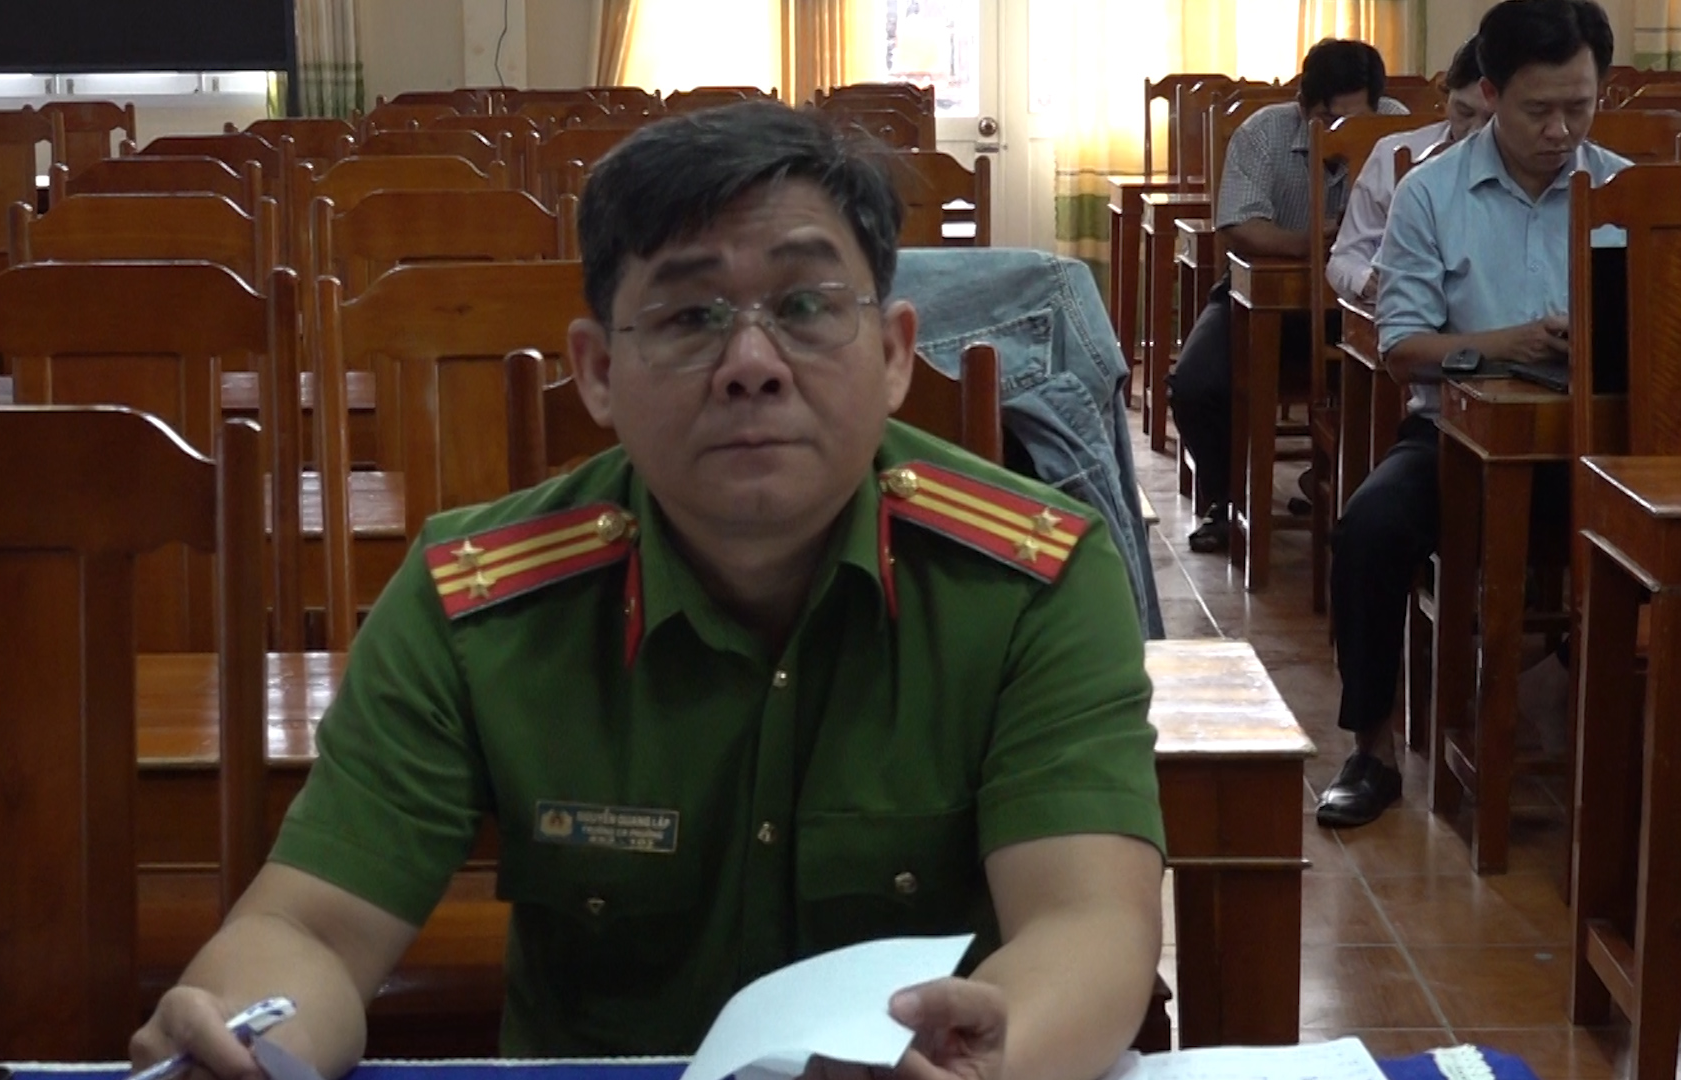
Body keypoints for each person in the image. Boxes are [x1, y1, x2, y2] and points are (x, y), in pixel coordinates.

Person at [132, 101, 1167, 1080]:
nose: (751, 363)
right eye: (688, 316)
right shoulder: (475, 602)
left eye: (806, 307)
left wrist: (995, 1053)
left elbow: (1088, 923)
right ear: (595, 373)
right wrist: (239, 1034)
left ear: (896, 354)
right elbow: (313, 929)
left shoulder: (1032, 579)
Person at [1315, 0, 1629, 828]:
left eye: (1580, 107)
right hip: (1453, 438)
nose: (1561, 131)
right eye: (1538, 110)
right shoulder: (1429, 193)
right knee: (1369, 532)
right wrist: (1511, 344)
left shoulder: (1625, 191)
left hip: (1595, 447)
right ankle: (1371, 749)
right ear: (1490, 93)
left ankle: (1623, 729)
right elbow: (1402, 348)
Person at [1168, 38, 1408, 553]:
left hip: (1358, 307)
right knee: (1194, 384)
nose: (1340, 132)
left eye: (1355, 119)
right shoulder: (1263, 132)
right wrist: (1312, 241)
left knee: (1406, 384)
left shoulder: (1396, 129)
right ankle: (1225, 500)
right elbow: (1238, 225)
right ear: (1302, 103)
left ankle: (1344, 488)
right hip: (1259, 302)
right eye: (1327, 119)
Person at [1325, 38, 1496, 303]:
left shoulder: (1531, 167)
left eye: (1492, 120)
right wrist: (1367, 280)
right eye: (1464, 112)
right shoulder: (1392, 153)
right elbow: (1344, 258)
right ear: (1445, 97)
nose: (1475, 132)